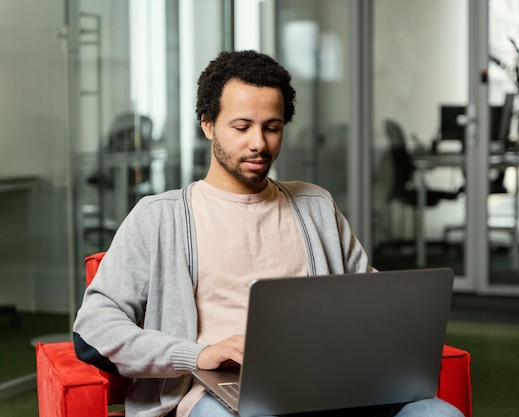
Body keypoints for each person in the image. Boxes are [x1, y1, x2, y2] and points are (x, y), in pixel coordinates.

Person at [73, 50, 463, 417]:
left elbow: (370, 299)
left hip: (327, 386)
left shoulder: (316, 205)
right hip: (218, 395)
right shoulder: (160, 217)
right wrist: (197, 354)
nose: (259, 143)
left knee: (441, 413)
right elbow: (94, 330)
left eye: (271, 128)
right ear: (207, 124)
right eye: (241, 127)